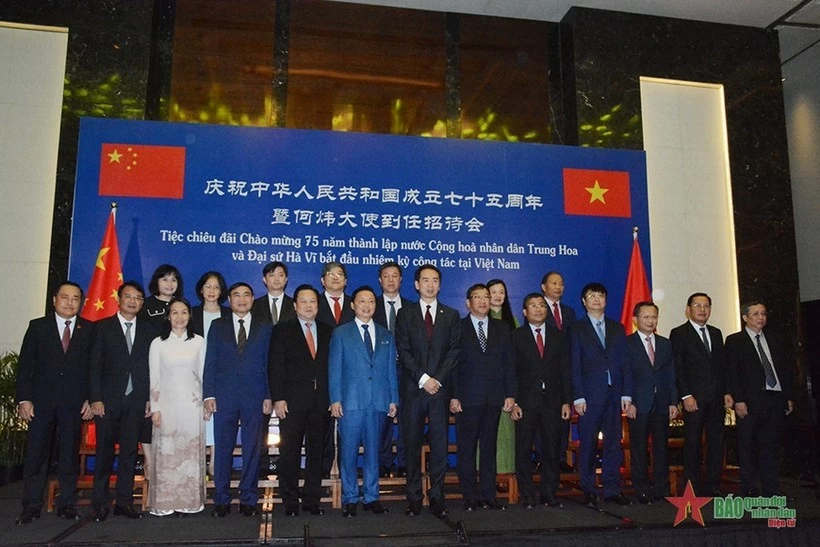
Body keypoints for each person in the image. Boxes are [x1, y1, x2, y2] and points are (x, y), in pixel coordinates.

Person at [15, 282, 94, 525]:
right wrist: (24, 399)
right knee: (37, 455)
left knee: (69, 456)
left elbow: (94, 369)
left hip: (74, 403)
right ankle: (31, 506)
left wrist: (91, 399)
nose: (70, 302)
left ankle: (66, 503)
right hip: (42, 403)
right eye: (65, 297)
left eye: (75, 298)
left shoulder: (88, 329)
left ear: (81, 302)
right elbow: (26, 366)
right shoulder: (37, 327)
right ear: (54, 300)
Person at [395, 264, 461, 517]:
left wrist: (437, 380)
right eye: (425, 280)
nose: (430, 285)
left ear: (440, 285)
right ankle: (413, 497)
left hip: (440, 391)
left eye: (435, 280)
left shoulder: (451, 315)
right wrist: (424, 379)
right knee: (411, 445)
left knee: (440, 446)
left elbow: (454, 352)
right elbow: (404, 351)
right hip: (413, 390)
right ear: (416, 284)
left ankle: (437, 496)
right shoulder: (405, 313)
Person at [89, 281, 158, 521]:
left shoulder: (150, 330)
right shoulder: (102, 327)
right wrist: (95, 398)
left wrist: (151, 398)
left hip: (137, 401)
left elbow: (153, 369)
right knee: (104, 453)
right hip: (107, 402)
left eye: (138, 298)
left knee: (130, 453)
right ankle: (100, 503)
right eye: (128, 296)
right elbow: (94, 366)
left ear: (142, 302)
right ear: (119, 299)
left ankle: (124, 502)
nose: (133, 301)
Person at [203, 282, 273, 518]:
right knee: (223, 448)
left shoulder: (265, 326)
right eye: (236, 295)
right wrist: (209, 394)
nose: (241, 299)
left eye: (246, 295)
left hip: (255, 395)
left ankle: (248, 499)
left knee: (252, 449)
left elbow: (268, 364)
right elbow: (209, 362)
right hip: (224, 396)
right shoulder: (217, 326)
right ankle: (221, 499)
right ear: (229, 300)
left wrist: (268, 395)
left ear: (253, 299)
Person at [329, 286, 399, 517]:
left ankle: (372, 497)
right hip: (350, 401)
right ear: (353, 305)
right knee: (348, 452)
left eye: (370, 301)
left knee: (373, 453)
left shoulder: (386, 335)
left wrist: (393, 399)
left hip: (378, 401)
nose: (367, 305)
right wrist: (335, 399)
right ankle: (350, 497)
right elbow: (335, 369)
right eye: (362, 301)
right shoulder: (341, 333)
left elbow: (391, 371)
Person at [450, 283, 516, 511]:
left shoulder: (502, 328)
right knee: (466, 449)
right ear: (468, 303)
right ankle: (469, 495)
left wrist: (510, 394)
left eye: (486, 297)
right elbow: (453, 366)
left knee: (489, 447)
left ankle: (488, 494)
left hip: (494, 397)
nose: (482, 301)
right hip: (467, 398)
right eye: (477, 297)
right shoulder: (458, 328)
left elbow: (509, 363)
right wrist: (454, 396)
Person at [268, 284, 332, 517]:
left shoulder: (327, 331)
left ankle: (312, 499)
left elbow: (331, 368)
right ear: (295, 306)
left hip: (320, 402)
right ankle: (290, 500)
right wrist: (278, 398)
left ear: (318, 305)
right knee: (290, 452)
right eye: (303, 301)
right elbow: (275, 366)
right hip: (291, 402)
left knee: (317, 452)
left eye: (313, 301)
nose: (308, 305)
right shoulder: (282, 330)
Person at [570, 282, 632, 508]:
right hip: (589, 396)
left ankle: (612, 489)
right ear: (584, 302)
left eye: (600, 296)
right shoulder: (577, 328)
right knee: (587, 444)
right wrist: (578, 396)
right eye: (592, 296)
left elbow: (625, 362)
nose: (597, 299)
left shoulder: (617, 328)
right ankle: (588, 489)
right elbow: (574, 364)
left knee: (613, 444)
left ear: (606, 301)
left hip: (614, 394)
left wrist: (626, 393)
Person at [726, 301, 794, 496]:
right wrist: (738, 399)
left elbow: (784, 369)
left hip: (774, 398)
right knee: (747, 446)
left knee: (770, 447)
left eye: (763, 313)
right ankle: (749, 489)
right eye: (755, 314)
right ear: (745, 317)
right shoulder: (735, 340)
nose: (760, 317)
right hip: (749, 401)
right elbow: (732, 372)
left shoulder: (775, 339)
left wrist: (787, 396)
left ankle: (771, 489)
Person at [510, 293, 571, 509]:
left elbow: (565, 370)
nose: (538, 309)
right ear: (525, 312)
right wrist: (514, 401)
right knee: (524, 448)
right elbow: (511, 372)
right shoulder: (516, 336)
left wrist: (566, 401)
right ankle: (527, 494)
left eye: (542, 305)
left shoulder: (559, 336)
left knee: (551, 449)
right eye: (533, 306)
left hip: (553, 401)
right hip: (525, 402)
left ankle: (549, 493)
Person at [147, 299, 207, 516]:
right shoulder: (158, 343)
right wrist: (156, 408)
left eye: (184, 312)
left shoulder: (199, 342)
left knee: (189, 454)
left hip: (192, 406)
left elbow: (202, 375)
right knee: (167, 453)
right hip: (167, 406)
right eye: (175, 313)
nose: (179, 317)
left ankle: (189, 501)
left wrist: (205, 403)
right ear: (168, 316)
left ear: (190, 316)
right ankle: (164, 503)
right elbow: (155, 377)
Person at [670, 292, 733, 496]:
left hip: (716, 398)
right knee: (693, 442)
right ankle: (692, 486)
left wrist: (726, 392)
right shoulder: (679, 333)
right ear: (688, 309)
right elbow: (678, 367)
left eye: (706, 306)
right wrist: (686, 395)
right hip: (693, 399)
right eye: (697, 305)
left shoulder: (716, 333)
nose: (702, 309)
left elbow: (722, 366)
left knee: (716, 441)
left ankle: (713, 484)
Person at [624, 302, 678, 504]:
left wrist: (673, 401)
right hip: (638, 403)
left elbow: (671, 374)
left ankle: (661, 489)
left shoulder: (665, 343)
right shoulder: (627, 343)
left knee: (661, 447)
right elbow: (625, 374)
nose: (650, 320)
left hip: (662, 402)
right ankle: (642, 489)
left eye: (654, 317)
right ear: (635, 320)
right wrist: (628, 400)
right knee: (638, 447)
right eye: (645, 317)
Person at [138, 264, 184, 477]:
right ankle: (149, 459)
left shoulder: (182, 306)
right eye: (165, 279)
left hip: (178, 375)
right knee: (150, 416)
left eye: (173, 280)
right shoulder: (145, 306)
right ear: (156, 282)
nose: (169, 284)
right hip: (151, 369)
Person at [190, 271, 231, 478]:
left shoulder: (229, 314)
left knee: (217, 417)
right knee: (196, 418)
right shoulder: (190, 313)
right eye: (208, 286)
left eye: (216, 287)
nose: (212, 291)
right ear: (200, 289)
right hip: (193, 372)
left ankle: (215, 463)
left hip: (221, 373)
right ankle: (197, 465)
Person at [373, 261, 412, 478]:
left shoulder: (411, 308)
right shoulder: (371, 306)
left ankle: (405, 462)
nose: (390, 280)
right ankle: (384, 461)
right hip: (379, 372)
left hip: (406, 371)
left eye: (394, 276)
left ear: (401, 280)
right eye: (386, 276)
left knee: (407, 418)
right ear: (380, 280)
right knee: (383, 418)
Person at [541, 271, 577, 474]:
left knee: (563, 416)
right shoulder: (537, 307)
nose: (558, 287)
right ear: (544, 287)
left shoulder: (569, 312)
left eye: (561, 283)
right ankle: (544, 458)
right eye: (553, 283)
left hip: (565, 372)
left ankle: (561, 457)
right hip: (544, 374)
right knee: (543, 420)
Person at [486, 278, 518, 476]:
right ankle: (487, 475)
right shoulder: (479, 319)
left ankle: (505, 474)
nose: (497, 296)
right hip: (485, 387)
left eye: (501, 292)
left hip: (506, 387)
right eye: (493, 292)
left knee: (505, 433)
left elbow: (516, 360)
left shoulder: (513, 322)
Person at [251, 261, 296, 326]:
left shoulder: (295, 305)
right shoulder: (254, 305)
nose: (276, 279)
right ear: (264, 280)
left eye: (280, 275)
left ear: (286, 279)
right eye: (272, 275)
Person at [316, 261, 355, 328]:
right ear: (323, 281)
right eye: (330, 274)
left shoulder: (354, 303)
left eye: (339, 274)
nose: (335, 278)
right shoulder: (315, 302)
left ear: (345, 281)